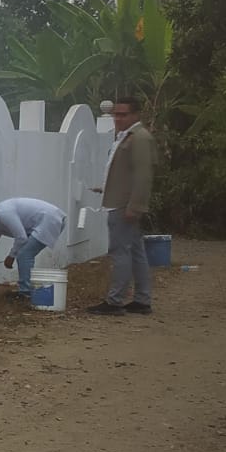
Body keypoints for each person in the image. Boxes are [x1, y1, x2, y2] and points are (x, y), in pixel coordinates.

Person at [87, 97, 155, 315]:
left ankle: (115, 300)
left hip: (123, 205)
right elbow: (123, 173)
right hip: (120, 201)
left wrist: (135, 206)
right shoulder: (127, 136)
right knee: (135, 251)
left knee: (120, 252)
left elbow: (143, 176)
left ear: (135, 115)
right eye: (116, 114)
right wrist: (105, 188)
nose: (118, 119)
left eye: (123, 115)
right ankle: (142, 299)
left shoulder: (139, 138)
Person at [0, 198, 67, 300]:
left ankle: (26, 292)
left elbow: (21, 237)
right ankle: (25, 290)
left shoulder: (4, 214)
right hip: (47, 220)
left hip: (49, 220)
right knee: (24, 254)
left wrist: (11, 256)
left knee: (24, 255)